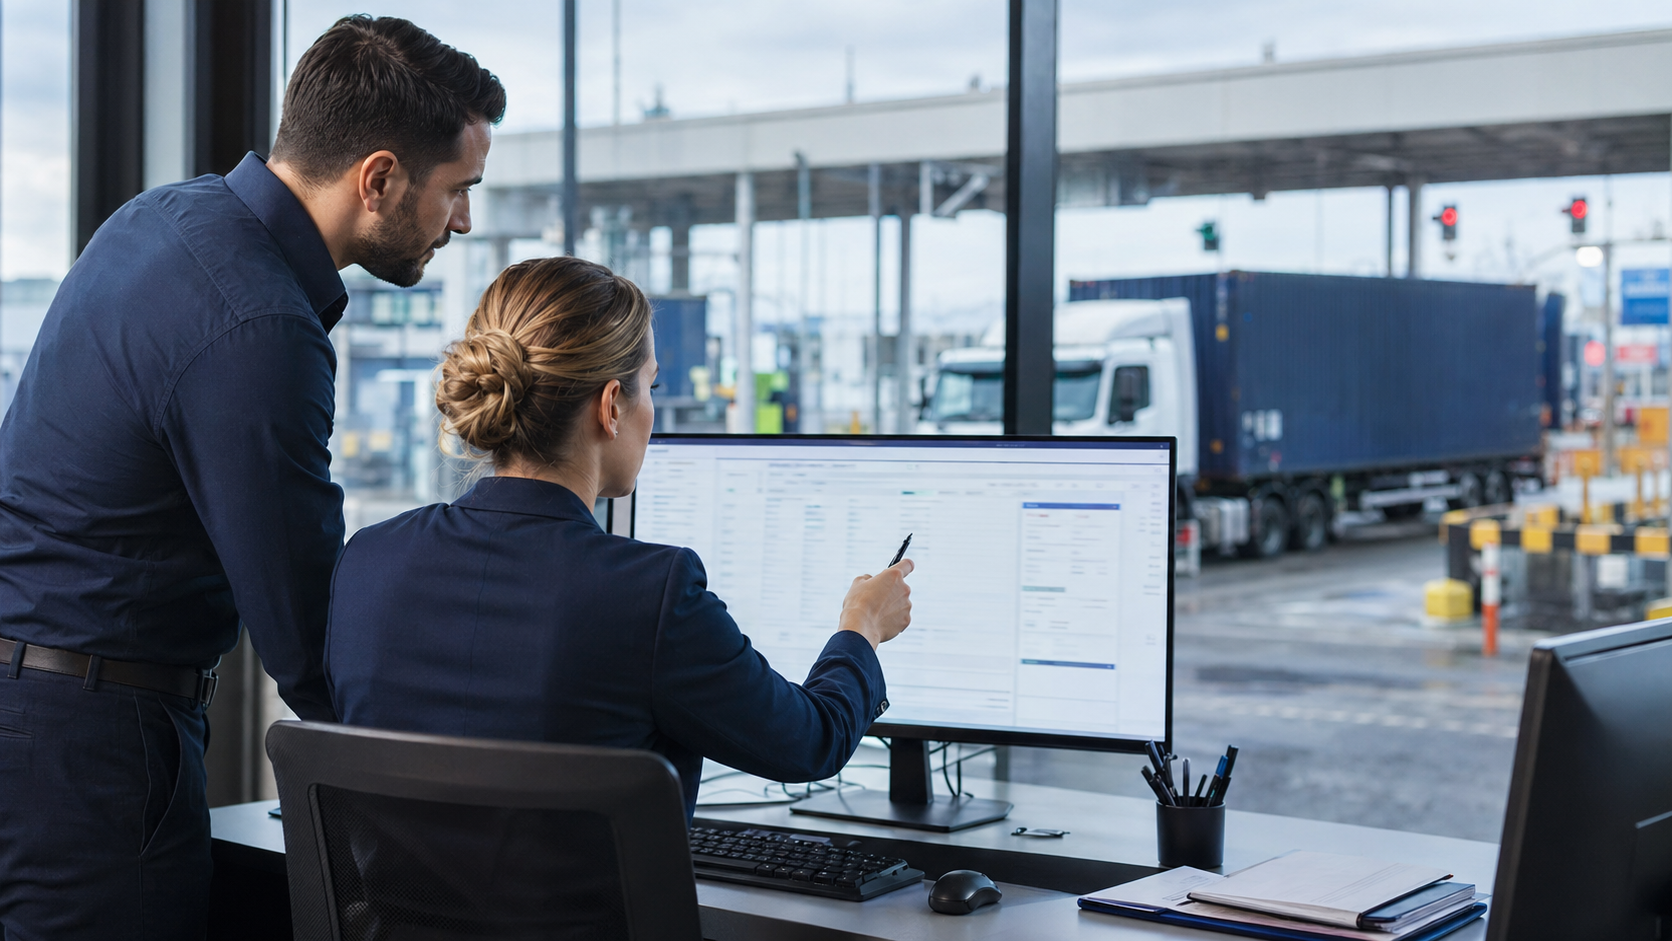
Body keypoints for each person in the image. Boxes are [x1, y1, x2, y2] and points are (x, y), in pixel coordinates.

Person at [0, 16, 503, 939]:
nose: (463, 221)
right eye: (457, 190)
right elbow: (302, 623)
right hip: (95, 746)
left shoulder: (163, 216)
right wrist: (440, 803)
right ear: (380, 178)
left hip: (33, 709)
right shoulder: (261, 324)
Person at [326, 256, 914, 818]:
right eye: (650, 387)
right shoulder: (651, 596)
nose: (651, 411)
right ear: (611, 406)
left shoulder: (370, 559)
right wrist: (861, 626)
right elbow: (809, 742)